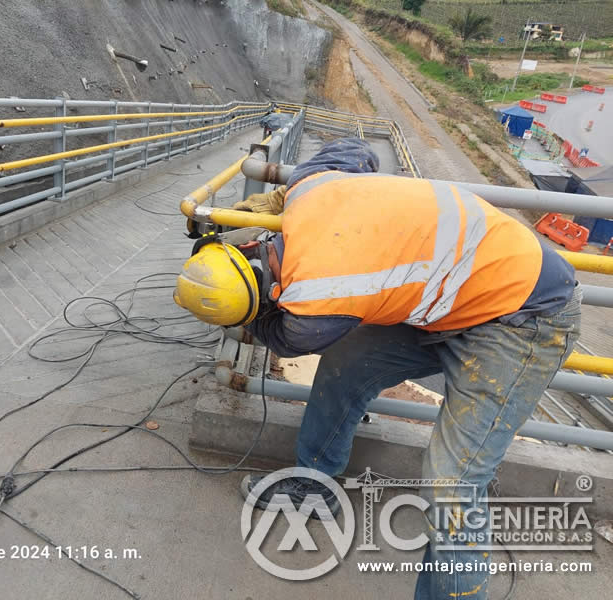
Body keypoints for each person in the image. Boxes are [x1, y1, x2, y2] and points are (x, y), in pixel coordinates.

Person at [173, 138, 581, 599]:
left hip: (524, 315)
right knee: (346, 365)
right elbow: (352, 150)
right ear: (249, 242)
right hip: (451, 298)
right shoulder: (310, 189)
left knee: (452, 484)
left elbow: (282, 335)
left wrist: (246, 319)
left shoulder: (316, 305)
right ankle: (315, 484)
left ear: (267, 298)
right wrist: (283, 194)